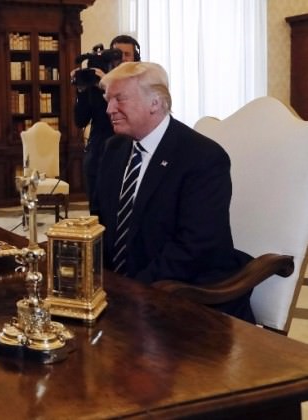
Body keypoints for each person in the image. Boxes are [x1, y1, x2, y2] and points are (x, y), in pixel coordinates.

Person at [90, 62, 254, 322]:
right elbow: (100, 222)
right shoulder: (114, 148)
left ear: (155, 103)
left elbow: (195, 247)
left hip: (187, 298)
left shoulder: (203, 157)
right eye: (108, 100)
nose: (109, 109)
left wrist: (129, 289)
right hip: (122, 296)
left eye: (119, 99)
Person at [73, 35, 141, 206]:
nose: (122, 59)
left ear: (136, 58)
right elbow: (80, 121)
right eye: (117, 54)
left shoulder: (141, 82)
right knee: (96, 208)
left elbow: (133, 114)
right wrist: (82, 91)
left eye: (127, 54)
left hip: (128, 152)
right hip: (98, 152)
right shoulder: (96, 82)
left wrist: (108, 86)